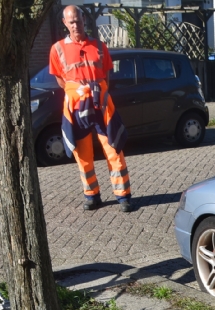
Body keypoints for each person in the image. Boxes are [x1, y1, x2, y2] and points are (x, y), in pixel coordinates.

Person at [50, 5, 132, 212]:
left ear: (84, 19)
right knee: (83, 154)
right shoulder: (57, 49)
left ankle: (123, 196)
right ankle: (91, 195)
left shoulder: (99, 46)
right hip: (77, 109)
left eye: (78, 20)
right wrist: (78, 91)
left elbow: (107, 75)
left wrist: (97, 92)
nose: (75, 25)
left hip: (101, 107)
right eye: (71, 22)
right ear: (65, 23)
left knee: (114, 149)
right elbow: (60, 79)